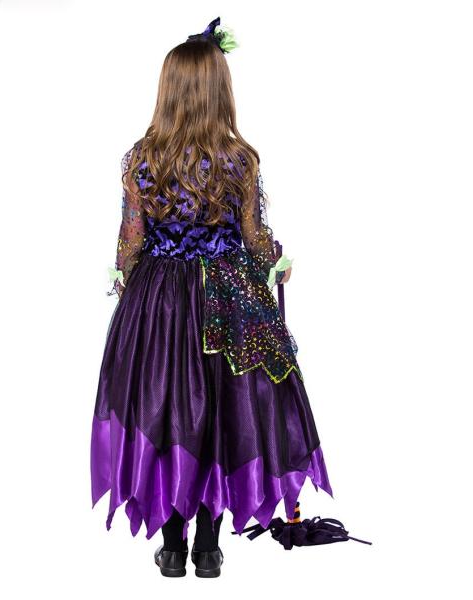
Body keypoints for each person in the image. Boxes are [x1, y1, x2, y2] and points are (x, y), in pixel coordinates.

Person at [90, 16, 333, 578]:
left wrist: (125, 278)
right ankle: (208, 548)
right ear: (219, 89)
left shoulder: (143, 158)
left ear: (169, 89)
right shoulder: (239, 160)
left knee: (167, 412)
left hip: (159, 303)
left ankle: (171, 548)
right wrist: (276, 260)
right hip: (227, 300)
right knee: (224, 412)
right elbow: (254, 237)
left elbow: (131, 242)